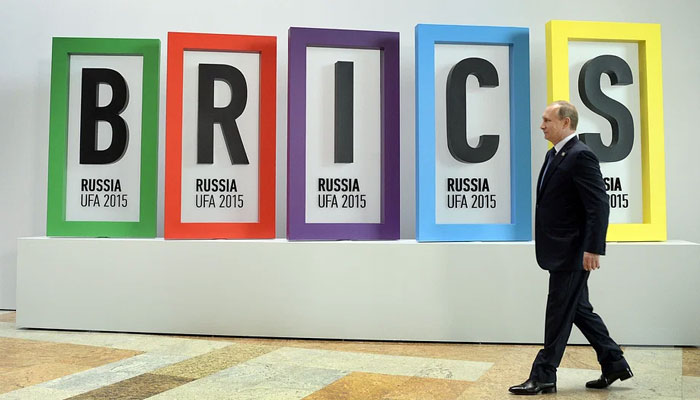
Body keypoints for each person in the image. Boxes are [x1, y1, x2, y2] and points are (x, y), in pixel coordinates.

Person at [508, 101, 633, 395]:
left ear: (565, 123)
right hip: (561, 248)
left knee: (558, 311)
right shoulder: (556, 154)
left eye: (546, 119)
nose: (542, 125)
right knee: (577, 309)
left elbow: (598, 205)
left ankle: (544, 375)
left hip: (573, 251)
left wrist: (593, 248)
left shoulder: (581, 155)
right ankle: (614, 362)